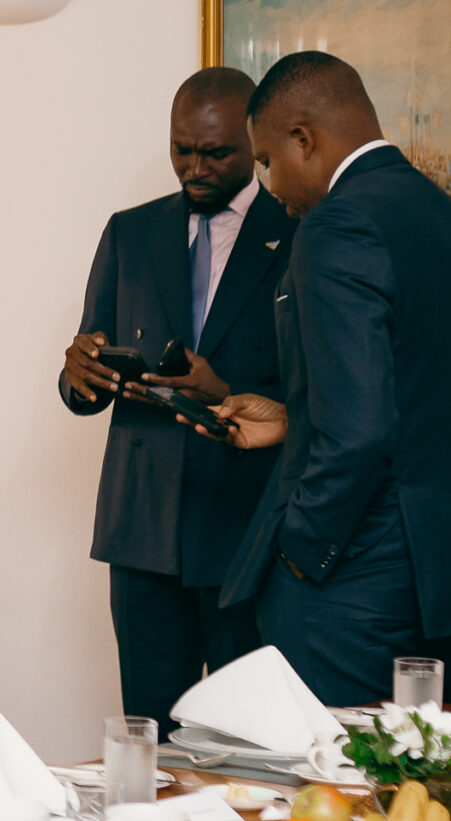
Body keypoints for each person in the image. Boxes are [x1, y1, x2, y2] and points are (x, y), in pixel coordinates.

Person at [216, 51, 451, 706]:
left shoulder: (336, 225)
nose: (269, 184)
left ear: (304, 139)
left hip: (355, 587)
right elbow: (434, 396)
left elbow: (359, 433)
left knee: (327, 771)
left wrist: (301, 551)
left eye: (267, 160)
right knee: (420, 771)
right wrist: (295, 420)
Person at [60, 67, 295, 724]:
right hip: (142, 534)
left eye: (215, 153)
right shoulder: (130, 233)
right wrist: (78, 376)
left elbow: (318, 390)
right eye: (181, 149)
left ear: (253, 142)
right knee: (150, 741)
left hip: (247, 534)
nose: (194, 168)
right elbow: (89, 366)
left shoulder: (297, 233)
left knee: (250, 743)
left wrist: (225, 389)